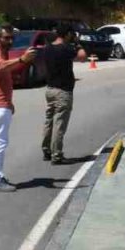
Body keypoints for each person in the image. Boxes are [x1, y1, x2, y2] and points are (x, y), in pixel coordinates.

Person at [0, 24, 36, 192]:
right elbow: (1, 66)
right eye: (6, 38)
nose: (10, 41)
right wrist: (21, 60)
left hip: (1, 104)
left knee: (0, 143)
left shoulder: (1, 52)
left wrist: (9, 103)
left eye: (12, 38)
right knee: (0, 143)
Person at [40, 25, 88, 164]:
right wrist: (78, 44)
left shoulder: (48, 48)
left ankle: (46, 149)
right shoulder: (66, 49)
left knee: (49, 120)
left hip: (50, 89)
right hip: (63, 91)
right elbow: (83, 57)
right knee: (59, 124)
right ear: (67, 34)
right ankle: (57, 154)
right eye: (71, 34)